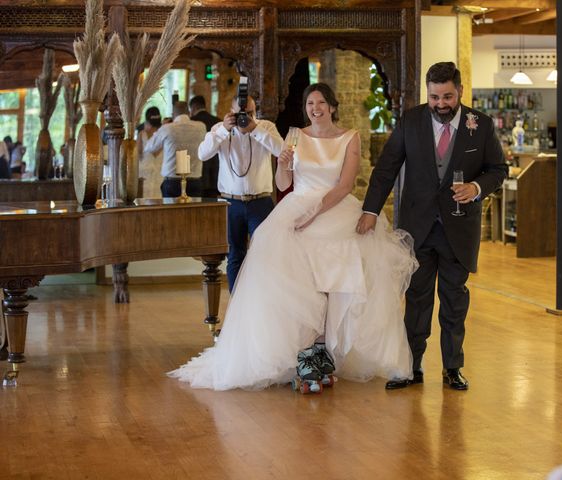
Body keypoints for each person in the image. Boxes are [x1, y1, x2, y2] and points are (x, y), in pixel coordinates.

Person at [169, 83, 417, 390]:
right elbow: (283, 181)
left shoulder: (349, 137)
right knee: (300, 286)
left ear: (332, 106)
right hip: (296, 208)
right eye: (310, 103)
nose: (315, 108)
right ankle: (304, 357)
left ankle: (326, 355)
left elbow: (345, 186)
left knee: (337, 286)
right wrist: (283, 165)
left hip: (335, 211)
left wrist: (314, 212)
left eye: (321, 102)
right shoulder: (295, 135)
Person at [357, 61, 508, 391]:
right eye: (434, 97)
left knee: (455, 302)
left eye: (448, 97)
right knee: (416, 300)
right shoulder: (411, 121)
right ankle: (410, 367)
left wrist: (476, 187)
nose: (441, 104)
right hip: (418, 227)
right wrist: (370, 210)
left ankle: (453, 368)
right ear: (427, 93)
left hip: (459, 228)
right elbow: (386, 169)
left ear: (461, 92)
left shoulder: (479, 125)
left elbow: (498, 169)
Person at [196, 94, 283, 292]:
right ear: (231, 112)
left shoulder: (266, 127)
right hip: (230, 203)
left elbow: (281, 151)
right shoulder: (219, 129)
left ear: (255, 111)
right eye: (240, 113)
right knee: (235, 255)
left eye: (250, 113)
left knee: (265, 254)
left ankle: (262, 302)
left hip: (260, 202)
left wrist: (255, 130)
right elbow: (203, 154)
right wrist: (224, 130)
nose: (245, 117)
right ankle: (237, 306)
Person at [143, 101, 206, 198]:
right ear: (189, 112)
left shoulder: (167, 128)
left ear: (173, 114)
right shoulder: (201, 127)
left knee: (171, 212)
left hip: (172, 181)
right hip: (194, 180)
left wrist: (161, 128)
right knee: (193, 212)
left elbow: (149, 147)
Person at [189, 95, 221, 198]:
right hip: (215, 171)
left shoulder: (191, 122)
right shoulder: (218, 121)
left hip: (197, 171)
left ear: (193, 108)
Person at [137, 106, 163, 198]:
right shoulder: (163, 133)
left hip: (143, 169)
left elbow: (138, 153)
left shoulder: (142, 133)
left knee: (143, 196)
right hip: (159, 170)